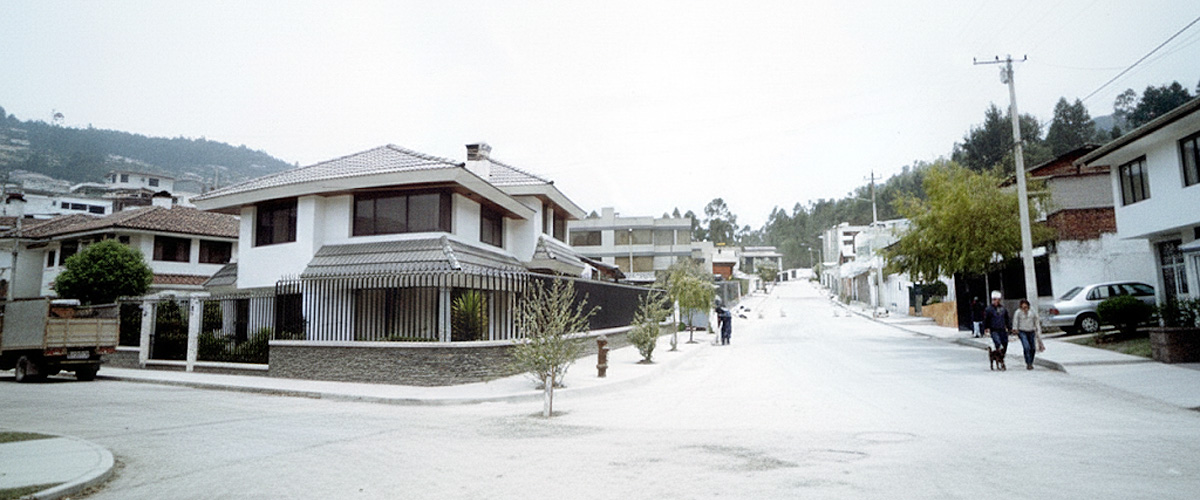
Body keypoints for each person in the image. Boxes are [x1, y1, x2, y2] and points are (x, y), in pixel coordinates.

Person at [1013, 299, 1043, 370]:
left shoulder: (1032, 312)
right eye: (1023, 307)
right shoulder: (1018, 312)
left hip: (1031, 331)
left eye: (1026, 307)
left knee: (1033, 348)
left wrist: (1038, 330)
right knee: (1026, 347)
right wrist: (1015, 329)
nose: (1025, 309)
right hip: (1022, 331)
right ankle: (1028, 363)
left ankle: (1031, 361)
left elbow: (1036, 321)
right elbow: (1015, 321)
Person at [983, 291, 1012, 355]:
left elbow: (1007, 319)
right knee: (998, 343)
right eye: (995, 300)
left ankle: (1001, 357)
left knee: (1005, 343)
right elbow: (986, 319)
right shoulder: (989, 309)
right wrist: (986, 328)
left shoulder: (1003, 309)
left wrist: (1009, 328)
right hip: (994, 329)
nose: (996, 301)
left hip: (1002, 329)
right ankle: (998, 355)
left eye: (998, 300)